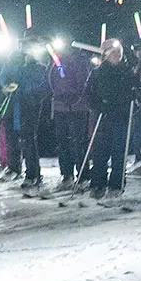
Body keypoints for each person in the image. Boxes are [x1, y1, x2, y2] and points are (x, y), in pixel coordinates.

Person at [83, 38, 137, 197]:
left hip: (121, 116)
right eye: (113, 53)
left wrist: (134, 97)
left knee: (119, 152)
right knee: (100, 152)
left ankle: (116, 185)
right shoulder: (98, 72)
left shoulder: (127, 71)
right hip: (103, 116)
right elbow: (88, 93)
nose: (116, 56)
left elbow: (138, 91)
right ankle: (98, 184)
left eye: (118, 53)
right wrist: (97, 105)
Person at [49, 40, 94, 191]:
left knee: (78, 142)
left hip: (76, 107)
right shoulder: (56, 62)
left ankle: (83, 174)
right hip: (60, 107)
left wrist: (75, 97)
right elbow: (51, 81)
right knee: (63, 142)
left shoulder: (79, 61)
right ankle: (67, 174)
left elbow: (83, 82)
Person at [10, 37, 52, 191]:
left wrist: (29, 95)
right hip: (21, 104)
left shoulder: (38, 67)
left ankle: (33, 174)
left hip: (31, 105)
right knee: (25, 138)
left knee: (29, 138)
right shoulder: (23, 66)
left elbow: (41, 87)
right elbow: (17, 80)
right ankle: (32, 172)